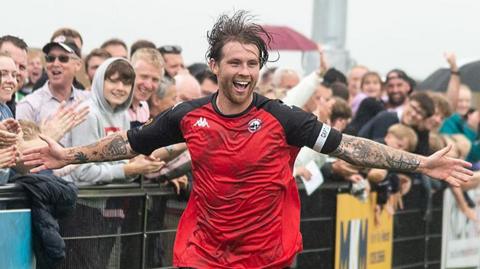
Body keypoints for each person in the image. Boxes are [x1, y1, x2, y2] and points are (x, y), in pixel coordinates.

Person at [22, 11, 473, 269]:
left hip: (267, 253)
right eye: (234, 62)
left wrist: (420, 163)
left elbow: (349, 145)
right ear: (214, 66)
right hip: (203, 251)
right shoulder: (188, 115)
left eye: (252, 63)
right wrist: (67, 155)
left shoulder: (283, 117)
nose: (244, 72)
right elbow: (133, 144)